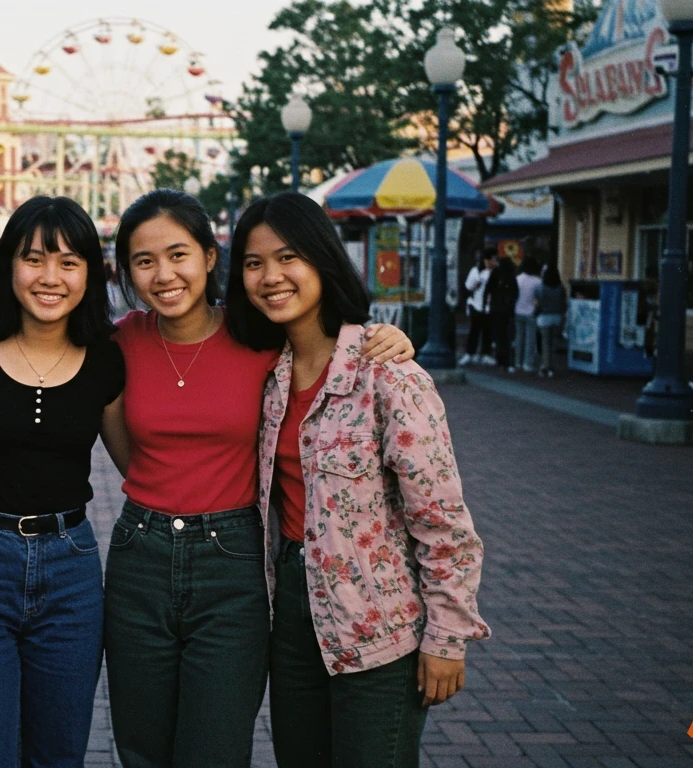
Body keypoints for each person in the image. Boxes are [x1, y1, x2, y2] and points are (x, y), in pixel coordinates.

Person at [103, 189, 415, 768]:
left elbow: (327, 342)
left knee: (216, 749)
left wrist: (388, 339)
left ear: (209, 256)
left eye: (178, 254)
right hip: (138, 554)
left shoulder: (262, 342)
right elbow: (124, 448)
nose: (164, 274)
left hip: (233, 561)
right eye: (143, 261)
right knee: (141, 749)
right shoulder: (119, 342)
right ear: (126, 271)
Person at [225, 192, 490, 767]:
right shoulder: (266, 374)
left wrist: (448, 638)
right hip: (291, 611)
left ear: (322, 259)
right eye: (252, 262)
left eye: (287, 256)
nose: (270, 276)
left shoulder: (388, 375)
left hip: (379, 623)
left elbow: (443, 520)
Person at [0, 196, 128, 767]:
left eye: (69, 262)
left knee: (58, 752)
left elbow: (141, 469)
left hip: (71, 568)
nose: (50, 278)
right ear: (7, 266)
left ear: (90, 272)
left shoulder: (106, 358)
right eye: (34, 259)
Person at [460, 250, 496, 365]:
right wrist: (475, 285)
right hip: (476, 304)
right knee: (474, 330)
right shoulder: (476, 271)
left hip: (489, 306)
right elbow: (468, 286)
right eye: (492, 259)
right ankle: (470, 353)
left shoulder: (494, 272)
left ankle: (486, 353)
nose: (494, 262)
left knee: (487, 330)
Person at [486, 256, 519, 369]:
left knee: (498, 335)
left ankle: (500, 359)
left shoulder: (496, 274)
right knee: (506, 336)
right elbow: (515, 292)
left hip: (496, 308)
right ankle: (507, 360)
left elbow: (488, 288)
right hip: (507, 310)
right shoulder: (511, 277)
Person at [534, 265, 567, 377]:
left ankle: (545, 366)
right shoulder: (561, 287)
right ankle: (552, 366)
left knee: (545, 343)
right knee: (553, 343)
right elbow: (563, 304)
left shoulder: (540, 287)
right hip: (557, 317)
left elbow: (536, 303)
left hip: (544, 317)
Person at [513, 257, 542, 374]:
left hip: (518, 310)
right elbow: (539, 298)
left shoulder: (518, 279)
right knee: (530, 339)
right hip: (531, 312)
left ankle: (517, 362)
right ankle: (527, 363)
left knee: (519, 338)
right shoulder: (537, 281)